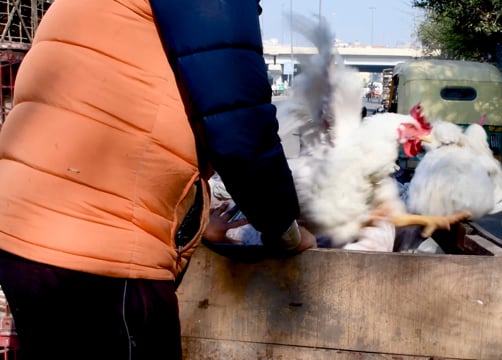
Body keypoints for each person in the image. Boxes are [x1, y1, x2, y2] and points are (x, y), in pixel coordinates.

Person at [0, 1, 315, 359]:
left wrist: (189, 223)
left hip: (26, 228)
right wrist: (281, 228)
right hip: (100, 253)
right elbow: (240, 128)